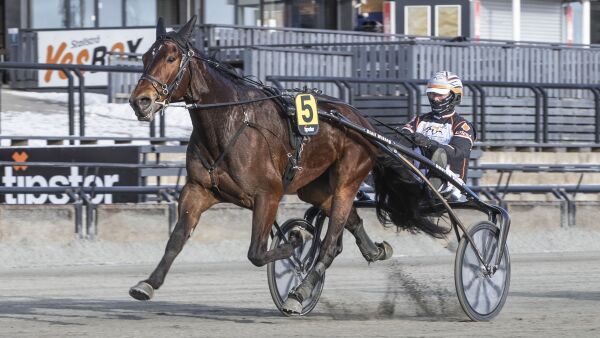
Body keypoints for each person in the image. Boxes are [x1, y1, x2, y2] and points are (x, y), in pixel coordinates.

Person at [398, 71, 475, 199]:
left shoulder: (462, 125)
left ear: (454, 95)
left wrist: (428, 143)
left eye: (440, 94)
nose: (435, 98)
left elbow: (456, 153)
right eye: (432, 94)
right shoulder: (419, 120)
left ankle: (436, 184)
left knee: (439, 156)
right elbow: (401, 141)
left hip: (452, 185)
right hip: (417, 182)